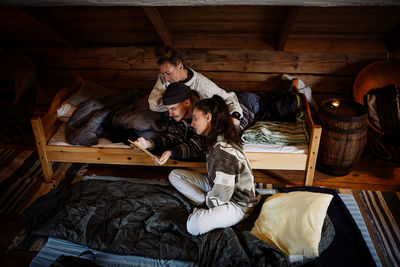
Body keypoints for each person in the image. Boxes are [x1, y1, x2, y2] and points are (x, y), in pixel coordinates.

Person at [168, 95, 260, 235]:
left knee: (193, 226)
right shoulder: (216, 138)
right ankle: (203, 199)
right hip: (218, 185)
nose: (192, 123)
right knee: (175, 175)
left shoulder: (222, 151)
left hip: (237, 204)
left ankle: (203, 204)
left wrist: (209, 206)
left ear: (209, 117)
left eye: (195, 118)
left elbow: (223, 195)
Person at [148, 45, 244, 128]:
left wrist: (235, 115)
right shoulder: (164, 78)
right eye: (163, 73)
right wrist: (176, 105)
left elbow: (228, 98)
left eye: (168, 73)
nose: (166, 78)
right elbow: (153, 105)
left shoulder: (204, 85)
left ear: (180, 66)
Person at [132, 82, 206, 166]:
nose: (170, 114)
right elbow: (173, 137)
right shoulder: (178, 115)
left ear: (187, 103)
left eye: (173, 109)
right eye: (168, 109)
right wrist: (148, 144)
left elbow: (198, 147)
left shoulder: (204, 114)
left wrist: (171, 153)